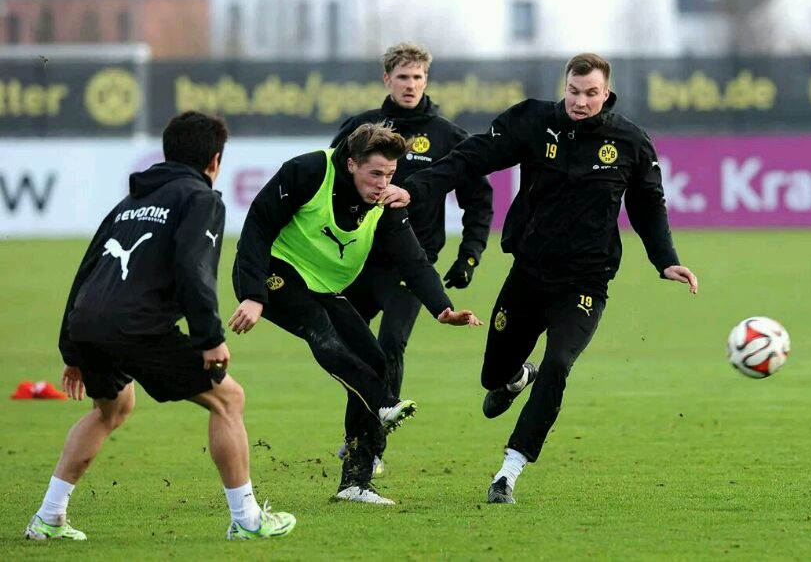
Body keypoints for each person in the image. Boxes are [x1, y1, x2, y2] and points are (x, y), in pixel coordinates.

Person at [403, 53, 699, 504]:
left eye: (591, 93)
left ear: (606, 93)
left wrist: (665, 260)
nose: (581, 102)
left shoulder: (630, 141)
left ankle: (508, 471)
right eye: (574, 92)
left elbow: (648, 205)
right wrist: (415, 188)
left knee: (558, 363)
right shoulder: (533, 122)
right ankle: (515, 377)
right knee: (492, 376)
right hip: (528, 274)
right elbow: (471, 157)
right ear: (565, 87)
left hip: (585, 283)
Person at [25, 111, 296, 541]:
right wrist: (210, 339)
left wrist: (71, 351)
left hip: (89, 325)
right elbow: (194, 270)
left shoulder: (128, 204)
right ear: (214, 160)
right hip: (138, 327)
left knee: (111, 408)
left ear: (168, 153)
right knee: (228, 399)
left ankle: (48, 517)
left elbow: (87, 272)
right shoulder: (201, 199)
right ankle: (247, 520)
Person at [229, 122, 482, 505]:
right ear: (351, 164)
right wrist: (252, 294)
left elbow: (413, 261)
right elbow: (258, 226)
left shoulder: (386, 203)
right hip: (273, 272)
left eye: (390, 175)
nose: (383, 184)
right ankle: (383, 402)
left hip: (322, 285)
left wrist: (442, 308)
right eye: (375, 173)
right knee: (320, 329)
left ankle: (355, 482)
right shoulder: (308, 171)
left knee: (375, 359)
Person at [330, 43, 493, 473]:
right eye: (403, 77)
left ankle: (371, 447)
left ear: (426, 80)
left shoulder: (449, 137)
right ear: (387, 79)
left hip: (410, 265)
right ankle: (359, 434)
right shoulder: (358, 129)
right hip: (357, 260)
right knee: (352, 350)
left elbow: (478, 201)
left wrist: (470, 255)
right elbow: (330, 185)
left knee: (390, 345)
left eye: (417, 77)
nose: (410, 85)